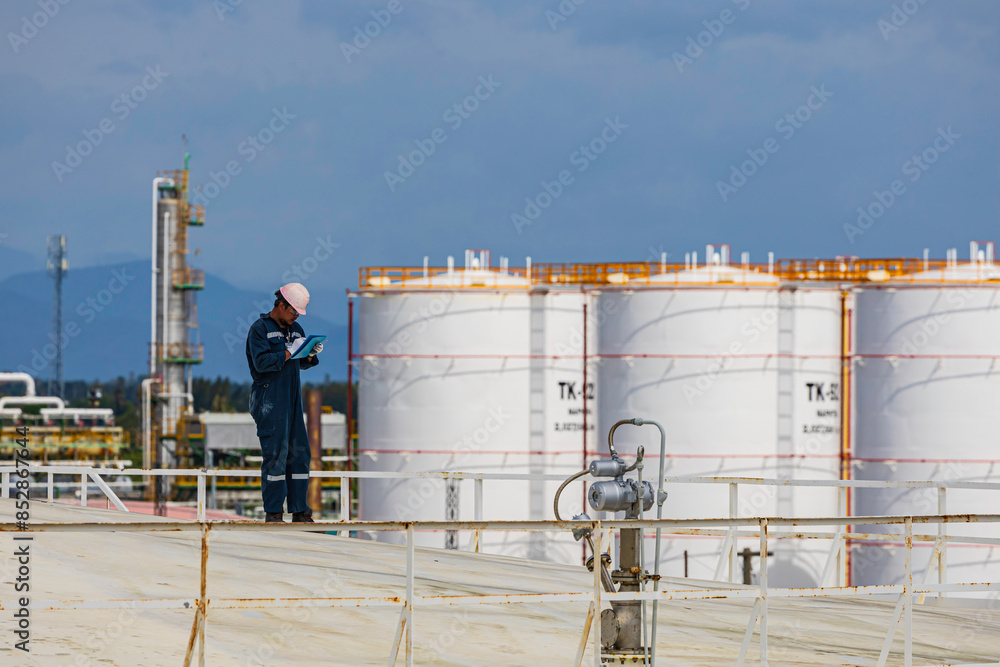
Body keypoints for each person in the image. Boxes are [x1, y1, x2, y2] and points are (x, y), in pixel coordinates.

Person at [245, 282, 324, 523]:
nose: (295, 317)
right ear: (280, 305)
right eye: (293, 312)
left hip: (291, 399)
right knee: (275, 455)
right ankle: (274, 513)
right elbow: (262, 363)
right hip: (269, 400)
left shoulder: (295, 329)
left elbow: (301, 362)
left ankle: (300, 511)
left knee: (299, 454)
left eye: (298, 314)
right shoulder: (259, 330)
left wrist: (310, 354)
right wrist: (289, 352)